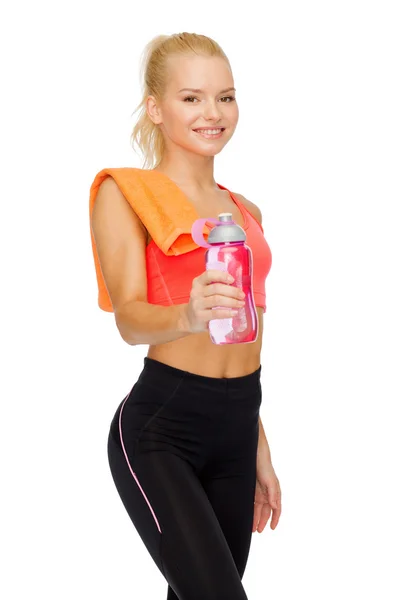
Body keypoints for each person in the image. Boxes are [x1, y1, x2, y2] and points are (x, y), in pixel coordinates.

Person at [90, 32, 282, 600]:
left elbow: (247, 334)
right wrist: (188, 313)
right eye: (192, 97)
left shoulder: (245, 211)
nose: (213, 113)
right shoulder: (127, 194)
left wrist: (258, 446)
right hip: (162, 428)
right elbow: (128, 319)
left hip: (238, 423)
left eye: (225, 96)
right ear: (156, 108)